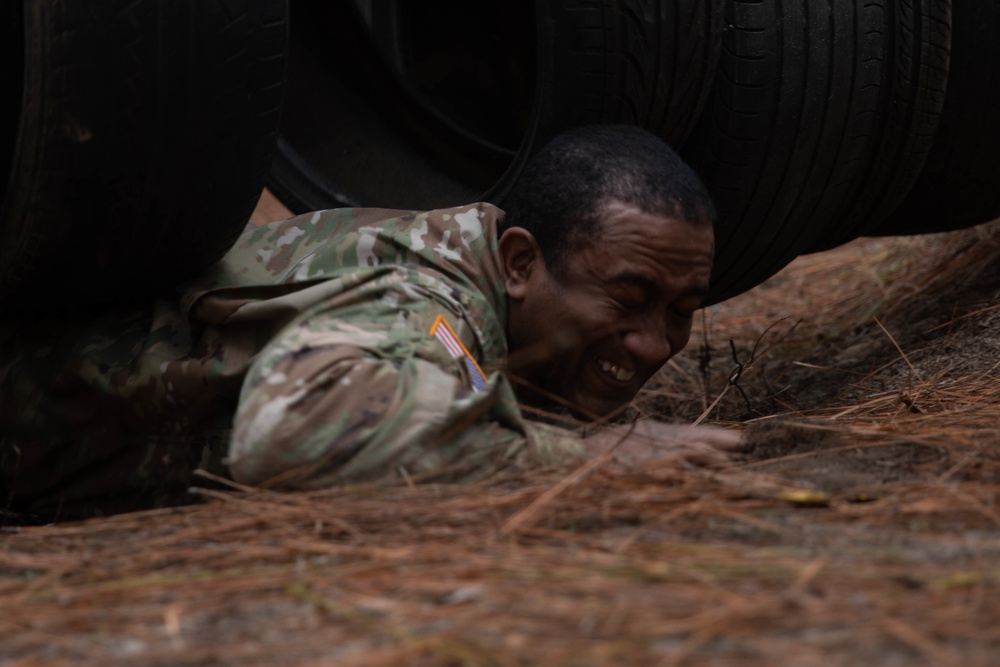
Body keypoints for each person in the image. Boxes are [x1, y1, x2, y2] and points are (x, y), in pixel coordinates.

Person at [0, 124, 741, 523]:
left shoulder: (483, 280)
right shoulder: (424, 298)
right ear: (519, 263)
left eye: (682, 311)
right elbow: (291, 431)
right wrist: (581, 459)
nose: (653, 344)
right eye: (627, 297)